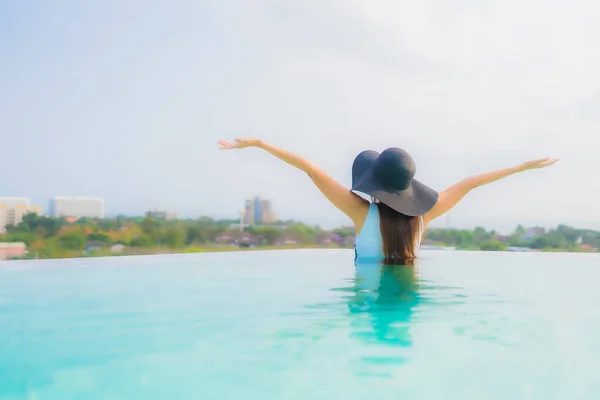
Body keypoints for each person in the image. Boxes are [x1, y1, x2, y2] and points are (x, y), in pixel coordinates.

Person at [218, 138, 558, 265]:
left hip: (365, 301)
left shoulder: (359, 211)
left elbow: (309, 168)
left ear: (374, 185)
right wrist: (523, 166)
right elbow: (471, 183)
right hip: (409, 301)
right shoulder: (424, 217)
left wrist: (259, 144)